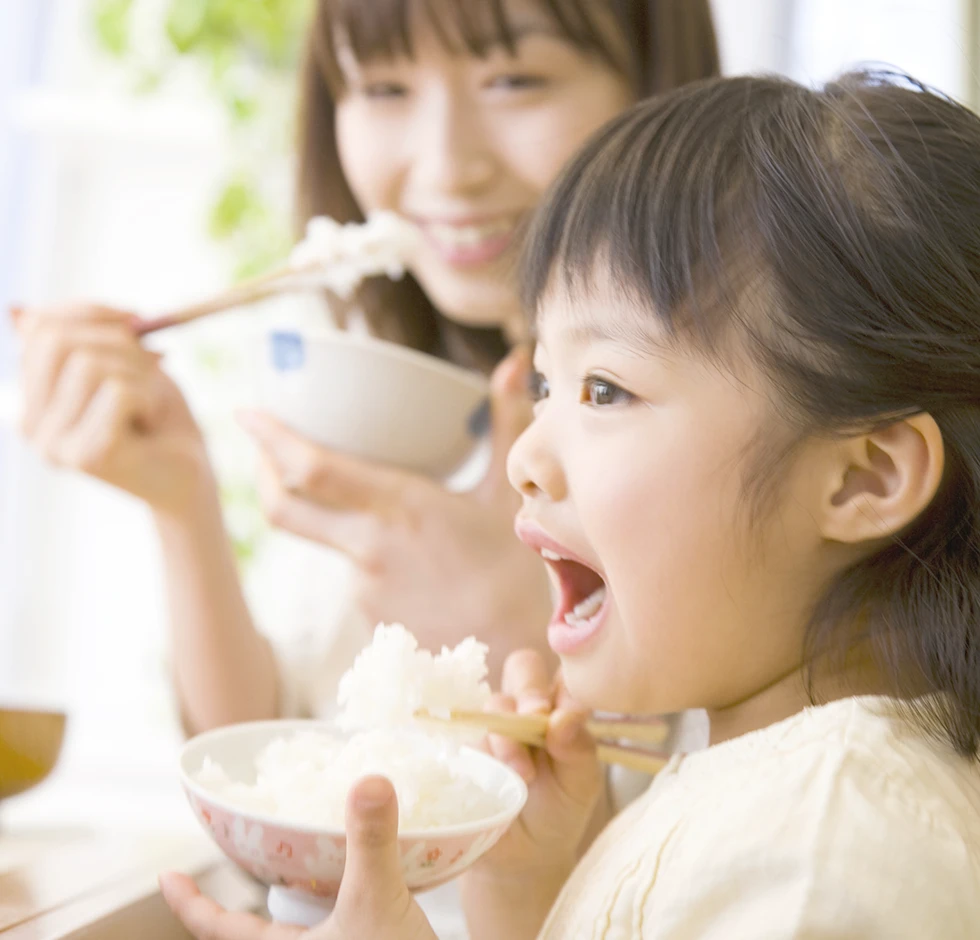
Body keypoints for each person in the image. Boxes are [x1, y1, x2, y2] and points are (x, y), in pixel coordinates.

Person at [161, 69, 980, 939]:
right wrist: (530, 894)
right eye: (545, 381)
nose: (524, 456)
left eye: (603, 389)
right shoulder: (771, 781)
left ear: (864, 479)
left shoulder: (827, 843)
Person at [13, 0, 719, 735]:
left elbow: (715, 822)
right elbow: (275, 749)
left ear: (654, 88)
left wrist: (514, 630)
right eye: (384, 89)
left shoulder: (727, 411)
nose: (448, 167)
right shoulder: (387, 381)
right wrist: (179, 496)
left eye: (515, 80)